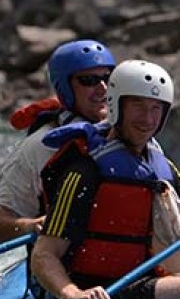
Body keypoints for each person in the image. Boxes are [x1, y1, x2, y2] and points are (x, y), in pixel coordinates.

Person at [31, 60, 180, 299]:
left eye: (156, 109)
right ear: (117, 105)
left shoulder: (159, 163)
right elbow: (44, 254)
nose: (148, 118)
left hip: (147, 284)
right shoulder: (85, 170)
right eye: (138, 106)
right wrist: (75, 295)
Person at [0, 39, 115, 241]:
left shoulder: (133, 132)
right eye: (88, 80)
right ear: (65, 88)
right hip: (61, 266)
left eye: (108, 77)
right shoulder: (38, 146)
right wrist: (28, 226)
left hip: (136, 263)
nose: (103, 88)